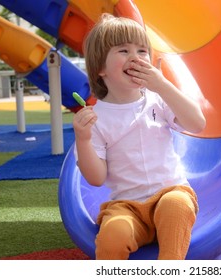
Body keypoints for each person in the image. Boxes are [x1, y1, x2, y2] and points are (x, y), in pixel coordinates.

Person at [72, 14, 206, 260]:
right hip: (127, 207)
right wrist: (82, 139)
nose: (136, 57)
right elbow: (95, 178)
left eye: (142, 51)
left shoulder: (158, 99)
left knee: (176, 205)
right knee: (113, 234)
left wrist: (163, 85)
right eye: (123, 50)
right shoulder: (97, 118)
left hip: (170, 193)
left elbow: (197, 124)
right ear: (100, 68)